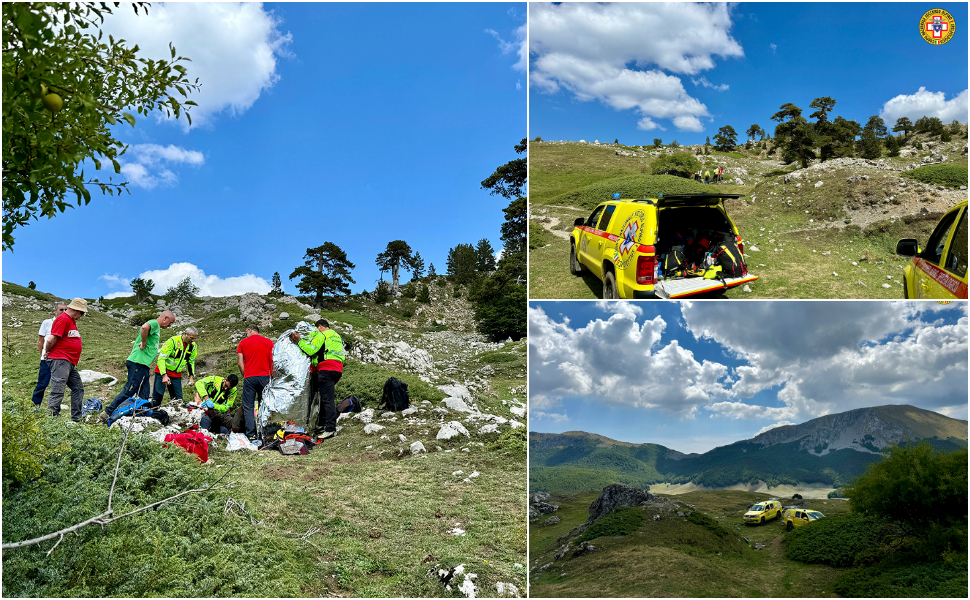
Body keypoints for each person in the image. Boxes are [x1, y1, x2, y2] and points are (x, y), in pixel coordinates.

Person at [105, 310, 175, 417]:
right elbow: (144, 327)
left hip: (143, 365)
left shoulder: (157, 328)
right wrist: (144, 343)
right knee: (130, 390)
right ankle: (107, 413)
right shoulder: (155, 323)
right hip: (138, 363)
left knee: (145, 393)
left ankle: (141, 413)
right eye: (170, 323)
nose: (169, 326)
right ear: (165, 318)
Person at [289, 319, 345, 441]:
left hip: (326, 369)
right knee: (326, 397)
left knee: (327, 399)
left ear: (320, 326)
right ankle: (324, 425)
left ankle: (330, 429)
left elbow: (311, 350)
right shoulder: (336, 335)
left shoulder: (322, 335)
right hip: (337, 369)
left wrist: (299, 342)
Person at [44, 298, 87, 420]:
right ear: (75, 310)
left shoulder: (71, 320)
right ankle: (52, 419)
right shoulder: (63, 319)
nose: (82, 316)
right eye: (82, 313)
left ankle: (76, 419)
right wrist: (47, 352)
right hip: (60, 359)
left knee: (78, 388)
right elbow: (51, 339)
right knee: (58, 390)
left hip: (68, 361)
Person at [237, 325, 274, 440]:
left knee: (248, 405)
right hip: (265, 377)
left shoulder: (243, 343)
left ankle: (251, 434)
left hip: (250, 377)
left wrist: (245, 375)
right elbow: (273, 361)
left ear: (250, 330)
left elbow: (240, 363)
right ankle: (264, 432)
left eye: (246, 332)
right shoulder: (269, 342)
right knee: (265, 405)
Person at [31, 302, 68, 406]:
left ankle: (54, 409)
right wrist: (43, 355)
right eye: (61, 310)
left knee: (58, 385)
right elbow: (40, 341)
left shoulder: (67, 323)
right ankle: (34, 407)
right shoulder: (47, 323)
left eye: (66, 310)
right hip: (47, 359)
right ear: (55, 311)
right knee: (42, 383)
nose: (64, 312)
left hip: (61, 359)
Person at [151, 327, 198, 407]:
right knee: (157, 397)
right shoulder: (172, 341)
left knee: (178, 400)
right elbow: (161, 358)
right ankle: (153, 413)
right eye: (191, 338)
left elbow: (190, 362)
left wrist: (191, 377)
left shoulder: (193, 346)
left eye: (194, 339)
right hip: (162, 372)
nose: (193, 340)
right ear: (185, 334)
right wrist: (164, 375)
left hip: (176, 374)